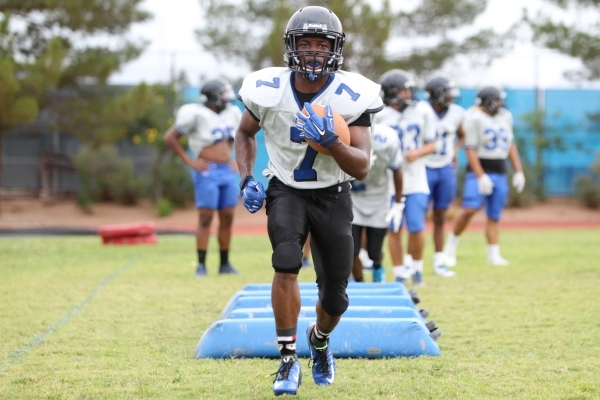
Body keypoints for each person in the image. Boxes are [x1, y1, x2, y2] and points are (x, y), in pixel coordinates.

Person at [235, 6, 383, 396]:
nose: (314, 52)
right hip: (285, 189)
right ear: (291, 47)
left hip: (334, 194)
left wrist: (332, 141)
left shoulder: (354, 94)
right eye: (306, 43)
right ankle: (287, 361)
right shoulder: (267, 89)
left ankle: (318, 340)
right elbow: (245, 133)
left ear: (335, 50)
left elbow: (363, 166)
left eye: (322, 44)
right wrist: (247, 177)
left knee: (335, 296)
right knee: (285, 261)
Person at [164, 78, 241, 277]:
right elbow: (170, 137)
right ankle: (201, 264)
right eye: (223, 94)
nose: (227, 98)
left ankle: (224, 264)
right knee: (205, 218)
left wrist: (239, 159)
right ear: (214, 97)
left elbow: (244, 136)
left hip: (227, 170)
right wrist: (189, 161)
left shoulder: (232, 112)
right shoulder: (196, 114)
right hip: (207, 170)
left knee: (227, 217)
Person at [443, 86, 525, 266]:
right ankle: (450, 249)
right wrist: (480, 175)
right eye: (497, 100)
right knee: (470, 208)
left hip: (500, 169)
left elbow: (510, 144)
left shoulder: (505, 116)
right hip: (479, 168)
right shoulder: (473, 117)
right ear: (488, 100)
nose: (500, 103)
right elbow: (470, 148)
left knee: (494, 215)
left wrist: (518, 170)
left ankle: (493, 254)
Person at [375, 69, 436, 287]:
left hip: (416, 179)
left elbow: (432, 143)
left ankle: (417, 269)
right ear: (392, 92)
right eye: (404, 90)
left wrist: (418, 152)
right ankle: (400, 272)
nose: (408, 94)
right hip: (390, 182)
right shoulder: (379, 114)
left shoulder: (423, 112)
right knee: (393, 228)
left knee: (417, 226)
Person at [350, 124, 403, 283]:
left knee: (374, 252)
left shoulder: (388, 138)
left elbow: (397, 169)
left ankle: (378, 266)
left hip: (379, 197)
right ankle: (359, 281)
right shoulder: (348, 129)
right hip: (353, 196)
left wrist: (399, 203)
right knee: (351, 250)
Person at [423, 75, 465, 277]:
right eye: (447, 92)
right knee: (416, 216)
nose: (451, 96)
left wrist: (455, 150)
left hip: (445, 169)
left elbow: (462, 134)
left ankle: (439, 261)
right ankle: (413, 261)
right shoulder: (421, 111)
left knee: (440, 216)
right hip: (422, 168)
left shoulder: (457, 113)